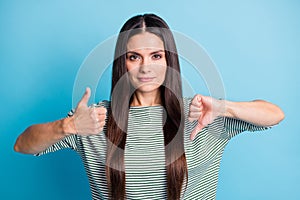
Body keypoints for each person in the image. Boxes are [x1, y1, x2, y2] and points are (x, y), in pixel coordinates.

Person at [14, 14, 284, 200]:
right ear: (124, 63)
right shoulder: (94, 120)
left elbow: (274, 115)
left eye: (156, 55)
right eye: (134, 57)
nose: (146, 67)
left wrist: (225, 108)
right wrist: (68, 126)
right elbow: (23, 145)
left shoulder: (201, 113)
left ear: (169, 61)